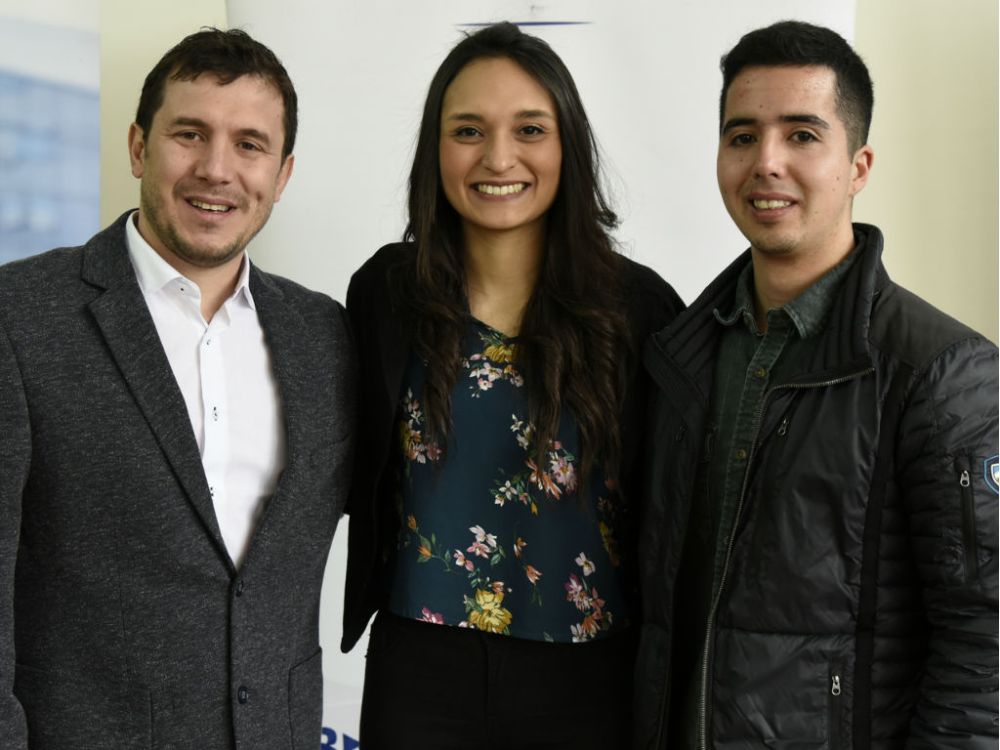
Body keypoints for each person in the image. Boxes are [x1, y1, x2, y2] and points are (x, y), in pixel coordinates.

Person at [635, 19, 998, 749]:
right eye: (742, 136)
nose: (766, 162)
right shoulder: (677, 353)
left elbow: (985, 645)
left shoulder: (943, 373)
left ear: (859, 165)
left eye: (802, 135)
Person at [0, 28, 355, 749]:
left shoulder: (327, 337)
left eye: (250, 145)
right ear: (138, 147)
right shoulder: (20, 317)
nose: (217, 170)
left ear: (282, 175)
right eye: (189, 134)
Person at [341, 22, 682, 749]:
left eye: (530, 129)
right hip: (419, 668)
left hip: (589, 676)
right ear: (436, 149)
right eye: (468, 130)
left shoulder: (640, 310)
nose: (499, 157)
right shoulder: (385, 293)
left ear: (568, 148)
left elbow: (672, 503)